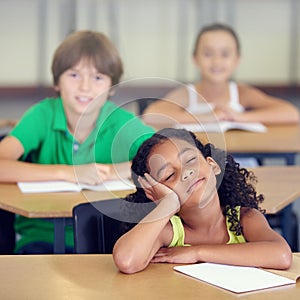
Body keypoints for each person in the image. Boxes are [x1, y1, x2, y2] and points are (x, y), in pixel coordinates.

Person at [0, 30, 154, 254]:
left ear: (111, 87)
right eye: (74, 75)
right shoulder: (43, 114)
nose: (85, 87)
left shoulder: (120, 121)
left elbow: (166, 156)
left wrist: (112, 170)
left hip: (108, 238)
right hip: (42, 238)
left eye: (98, 77)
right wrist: (69, 172)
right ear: (57, 82)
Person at [113, 128, 292, 274]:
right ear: (155, 193)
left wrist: (197, 252)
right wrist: (167, 205)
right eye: (169, 175)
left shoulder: (243, 219)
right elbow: (127, 261)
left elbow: (282, 255)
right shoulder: (170, 231)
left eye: (190, 160)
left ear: (213, 165)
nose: (187, 173)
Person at [143, 23, 299, 125]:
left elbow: (291, 113)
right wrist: (207, 118)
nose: (216, 62)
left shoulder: (242, 93)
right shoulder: (186, 94)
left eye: (225, 54)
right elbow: (151, 115)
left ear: (237, 59)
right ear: (195, 58)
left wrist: (239, 118)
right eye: (208, 54)